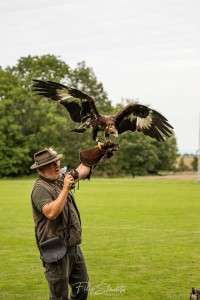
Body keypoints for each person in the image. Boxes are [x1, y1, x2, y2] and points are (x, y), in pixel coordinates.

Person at [30, 143, 118, 300]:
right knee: (59, 296)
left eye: (57, 162)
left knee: (82, 289)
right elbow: (51, 213)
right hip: (54, 249)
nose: (57, 166)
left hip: (73, 246)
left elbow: (83, 169)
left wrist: (100, 150)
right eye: (52, 164)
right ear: (42, 169)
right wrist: (65, 189)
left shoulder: (61, 179)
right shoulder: (40, 188)